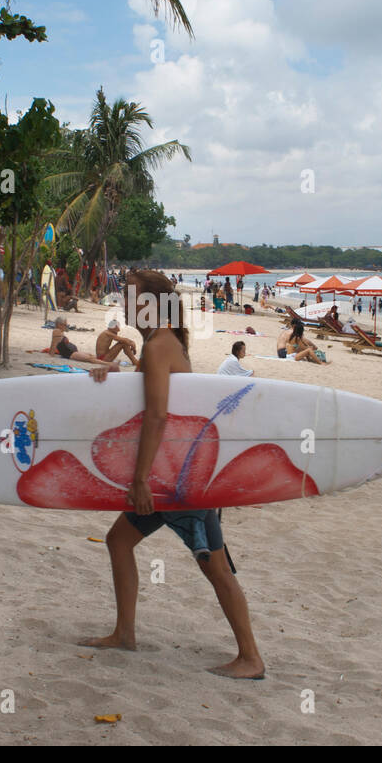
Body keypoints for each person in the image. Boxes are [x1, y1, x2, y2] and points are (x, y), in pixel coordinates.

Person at [80, 270, 264, 679]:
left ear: (150, 304)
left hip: (179, 483)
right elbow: (146, 397)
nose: (124, 304)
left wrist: (140, 479)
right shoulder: (162, 343)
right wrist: (108, 376)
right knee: (118, 541)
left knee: (216, 568)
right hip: (168, 478)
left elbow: (159, 415)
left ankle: (251, 657)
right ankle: (124, 632)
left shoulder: (161, 344)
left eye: (130, 297)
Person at [51, 316, 119, 369]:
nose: (66, 326)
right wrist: (51, 354)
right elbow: (54, 343)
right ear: (59, 324)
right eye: (65, 325)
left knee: (91, 356)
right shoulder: (56, 331)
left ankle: (107, 362)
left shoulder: (60, 331)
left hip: (73, 352)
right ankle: (108, 364)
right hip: (70, 354)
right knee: (90, 359)